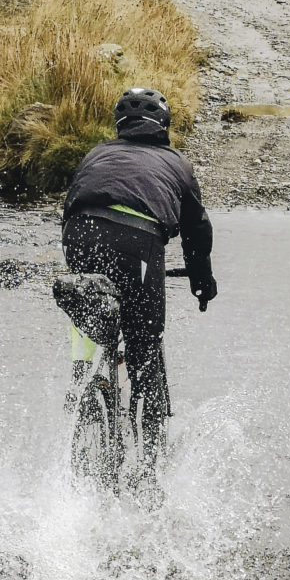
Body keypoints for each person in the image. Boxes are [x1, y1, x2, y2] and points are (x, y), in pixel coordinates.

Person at [62, 86, 216, 467]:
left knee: (91, 299)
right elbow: (197, 231)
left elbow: (72, 204)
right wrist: (202, 282)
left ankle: (83, 374)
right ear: (163, 126)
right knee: (144, 349)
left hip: (78, 234)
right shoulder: (177, 163)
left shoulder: (97, 153)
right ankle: (150, 464)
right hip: (137, 242)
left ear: (120, 125)